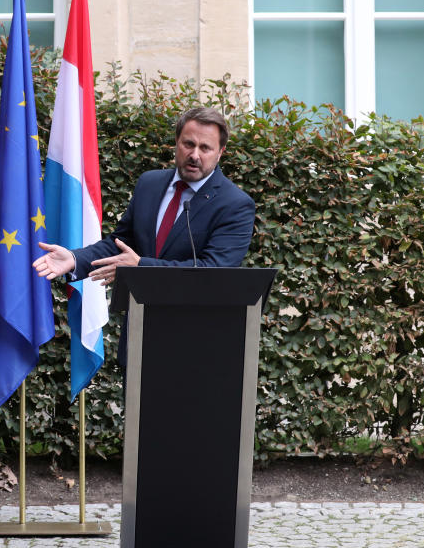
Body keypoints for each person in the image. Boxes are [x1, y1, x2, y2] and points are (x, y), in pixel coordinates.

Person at [32, 106, 256, 364]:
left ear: (220, 153)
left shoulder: (235, 204)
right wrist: (74, 259)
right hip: (139, 338)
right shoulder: (150, 184)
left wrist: (141, 267)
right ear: (176, 143)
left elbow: (213, 272)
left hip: (196, 348)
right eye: (188, 144)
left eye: (205, 148)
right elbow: (121, 245)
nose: (194, 155)